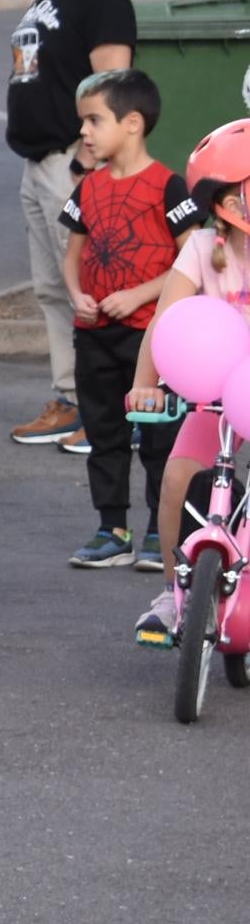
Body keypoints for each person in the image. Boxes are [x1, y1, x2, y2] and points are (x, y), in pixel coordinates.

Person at [5, 0, 138, 448]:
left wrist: (89, 162)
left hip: (73, 166)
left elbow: (112, 84)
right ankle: (72, 398)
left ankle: (117, 407)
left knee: (94, 286)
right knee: (54, 289)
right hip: (38, 165)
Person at [58, 70, 192, 574]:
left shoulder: (167, 186)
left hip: (150, 336)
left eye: (94, 121)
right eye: (83, 123)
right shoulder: (87, 189)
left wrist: (138, 294)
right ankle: (111, 527)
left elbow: (190, 261)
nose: (85, 133)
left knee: (160, 439)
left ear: (132, 123)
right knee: (104, 434)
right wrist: (76, 295)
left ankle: (162, 528)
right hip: (94, 334)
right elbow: (73, 254)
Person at [129, 122, 250, 643]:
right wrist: (145, 382)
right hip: (217, 390)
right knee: (179, 475)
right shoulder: (202, 248)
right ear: (228, 201)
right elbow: (166, 321)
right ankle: (174, 593)